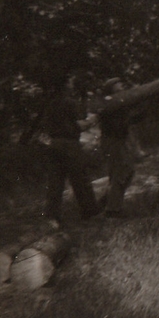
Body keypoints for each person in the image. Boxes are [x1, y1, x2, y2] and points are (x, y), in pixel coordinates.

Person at [98, 68, 159, 217]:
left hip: (119, 140)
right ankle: (112, 210)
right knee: (121, 173)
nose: (123, 86)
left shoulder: (119, 103)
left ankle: (107, 202)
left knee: (123, 173)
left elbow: (134, 116)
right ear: (111, 89)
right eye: (118, 85)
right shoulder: (114, 103)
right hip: (114, 141)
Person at [41, 72, 100, 225]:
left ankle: (51, 217)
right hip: (69, 144)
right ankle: (91, 215)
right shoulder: (70, 102)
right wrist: (92, 120)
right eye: (70, 81)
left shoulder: (50, 103)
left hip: (54, 144)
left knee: (55, 182)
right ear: (66, 84)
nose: (72, 84)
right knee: (80, 180)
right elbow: (80, 125)